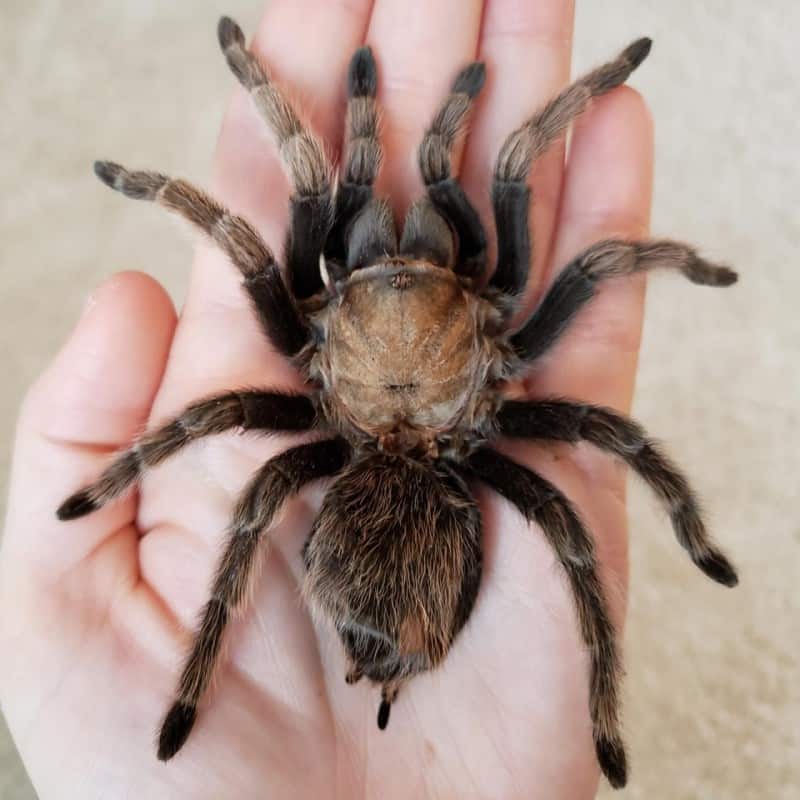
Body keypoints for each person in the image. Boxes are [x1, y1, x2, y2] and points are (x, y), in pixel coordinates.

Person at [0, 0, 654, 796]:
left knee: (258, 470)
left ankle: (199, 674)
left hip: (387, 494)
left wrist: (124, 469)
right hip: (446, 482)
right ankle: (603, 711)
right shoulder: (495, 310)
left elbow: (247, 236)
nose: (403, 250)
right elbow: (532, 185)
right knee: (568, 513)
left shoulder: (317, 317)